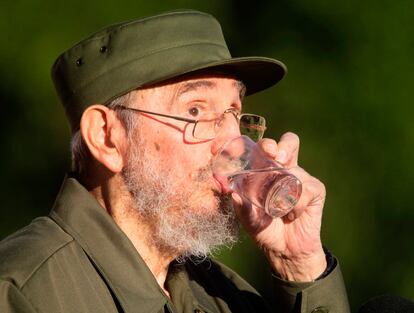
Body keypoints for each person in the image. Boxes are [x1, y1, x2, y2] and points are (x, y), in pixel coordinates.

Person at [0, 9, 350, 313]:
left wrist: (300, 268)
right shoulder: (21, 292)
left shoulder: (223, 295)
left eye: (234, 112)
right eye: (196, 110)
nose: (234, 142)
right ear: (106, 137)